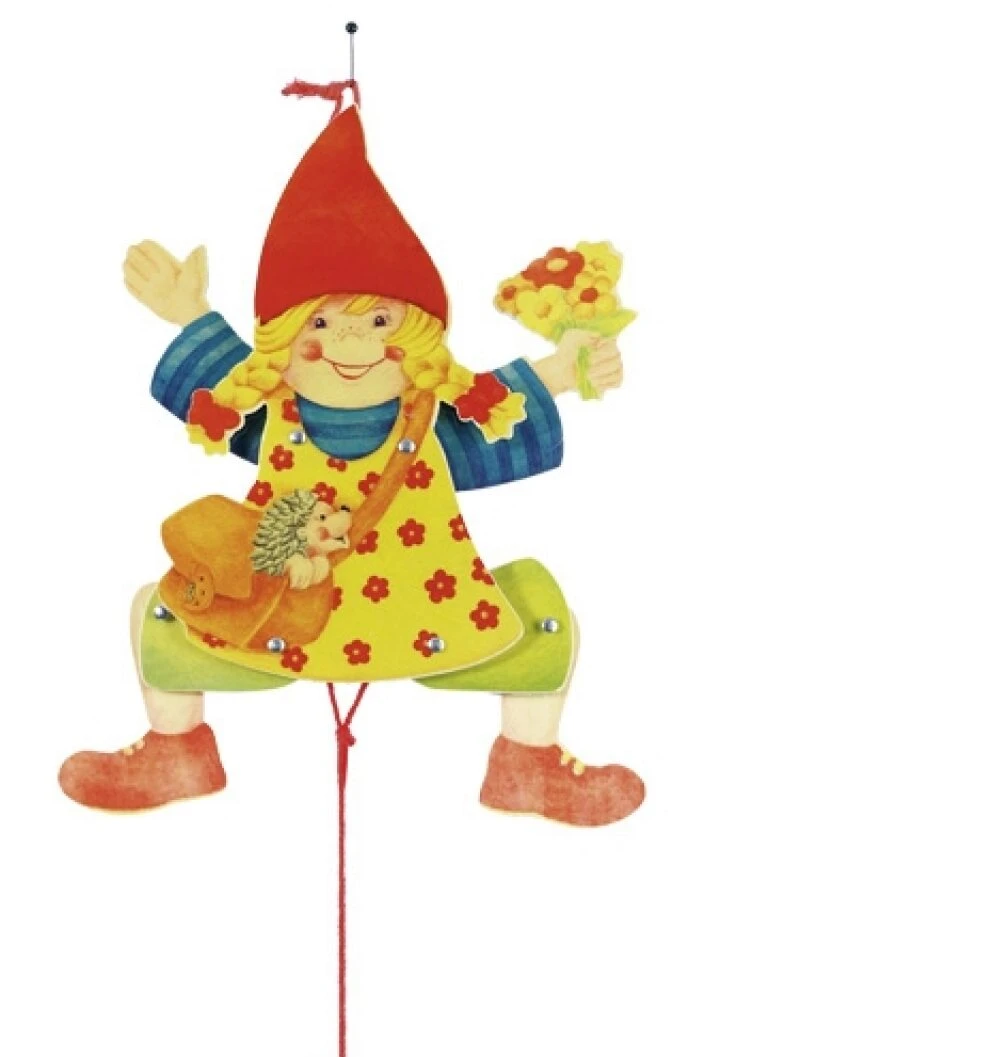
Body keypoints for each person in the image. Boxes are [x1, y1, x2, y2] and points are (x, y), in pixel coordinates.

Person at [59, 104, 644, 827]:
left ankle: (525, 767)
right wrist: (190, 316)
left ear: (421, 336)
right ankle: (178, 756)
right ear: (280, 342)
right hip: (344, 620)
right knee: (536, 611)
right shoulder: (271, 413)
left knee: (160, 609)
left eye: (379, 322)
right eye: (322, 322)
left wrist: (565, 368)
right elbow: (225, 392)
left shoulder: (428, 420)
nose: (353, 344)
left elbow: (488, 405)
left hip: (372, 625)